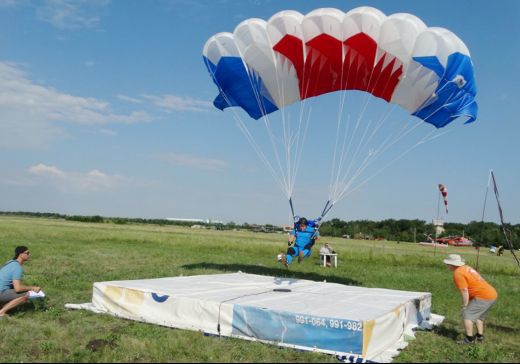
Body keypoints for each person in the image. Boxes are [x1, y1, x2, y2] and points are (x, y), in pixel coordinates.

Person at [443, 254, 497, 344]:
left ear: (452, 264)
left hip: (483, 296)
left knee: (467, 315)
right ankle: (480, 336)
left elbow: (464, 290)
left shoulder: (458, 273)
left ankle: (469, 339)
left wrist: (465, 306)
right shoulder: (466, 268)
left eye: (447, 264)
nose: (447, 266)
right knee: (479, 316)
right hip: (491, 294)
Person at [0, 246, 41, 318]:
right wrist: (32, 288)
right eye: (27, 253)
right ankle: (1, 312)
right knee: (25, 294)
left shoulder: (9, 263)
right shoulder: (17, 267)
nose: (29, 255)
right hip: (1, 292)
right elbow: (18, 288)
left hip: (2, 290)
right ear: (21, 254)